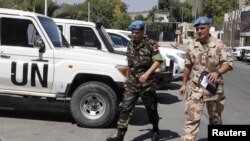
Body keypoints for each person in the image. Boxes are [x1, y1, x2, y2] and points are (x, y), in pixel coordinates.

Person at [106, 20, 164, 141]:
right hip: (132, 83)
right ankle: (120, 135)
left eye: (136, 32)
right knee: (126, 108)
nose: (134, 35)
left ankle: (155, 129)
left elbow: (158, 61)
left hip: (147, 83)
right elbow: (130, 64)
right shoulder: (130, 44)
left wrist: (147, 74)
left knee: (151, 109)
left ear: (143, 32)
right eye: (132, 32)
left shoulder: (150, 44)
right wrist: (127, 78)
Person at [179, 16, 234, 141]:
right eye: (197, 29)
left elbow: (229, 64)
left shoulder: (219, 45)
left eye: (202, 28)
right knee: (191, 120)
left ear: (209, 28)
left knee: (215, 119)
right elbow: (188, 66)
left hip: (213, 88)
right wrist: (183, 84)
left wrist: (217, 72)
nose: (199, 31)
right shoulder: (192, 46)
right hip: (196, 89)